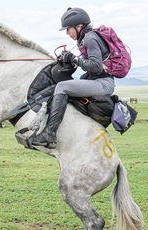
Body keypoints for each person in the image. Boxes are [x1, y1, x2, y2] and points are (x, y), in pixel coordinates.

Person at [30, 7, 115, 148]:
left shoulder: (90, 38)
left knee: (62, 87)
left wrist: (74, 59)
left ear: (79, 26)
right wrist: (68, 59)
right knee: (66, 85)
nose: (67, 33)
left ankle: (49, 134)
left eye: (68, 28)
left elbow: (96, 66)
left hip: (103, 84)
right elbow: (86, 63)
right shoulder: (85, 40)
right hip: (97, 82)